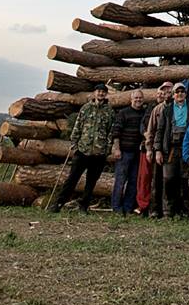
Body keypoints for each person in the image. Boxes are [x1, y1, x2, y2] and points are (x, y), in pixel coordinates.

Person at [51, 83, 114, 212]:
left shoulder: (109, 112)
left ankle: (83, 206)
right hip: (82, 150)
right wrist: (74, 145)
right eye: (98, 91)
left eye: (103, 92)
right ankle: (58, 204)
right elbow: (77, 127)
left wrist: (106, 150)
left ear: (106, 94)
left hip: (98, 153)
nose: (101, 93)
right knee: (72, 179)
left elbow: (110, 132)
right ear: (94, 93)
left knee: (91, 183)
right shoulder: (86, 108)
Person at [154, 83, 189, 218]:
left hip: (186, 148)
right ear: (173, 94)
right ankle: (168, 211)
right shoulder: (167, 110)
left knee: (185, 180)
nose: (179, 94)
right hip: (170, 149)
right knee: (169, 179)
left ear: (185, 93)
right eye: (177, 92)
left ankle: (185, 211)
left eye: (182, 91)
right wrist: (157, 149)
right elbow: (160, 130)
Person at [111, 88, 146, 215]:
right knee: (120, 181)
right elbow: (116, 132)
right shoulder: (123, 113)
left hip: (138, 153)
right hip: (124, 152)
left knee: (133, 181)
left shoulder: (144, 113)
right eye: (136, 98)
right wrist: (117, 148)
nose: (138, 100)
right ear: (131, 99)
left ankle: (128, 207)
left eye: (140, 98)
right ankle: (116, 207)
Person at [143, 81, 173, 218]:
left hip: (172, 150)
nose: (167, 92)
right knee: (156, 180)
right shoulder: (158, 109)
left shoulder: (178, 107)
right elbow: (151, 130)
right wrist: (150, 149)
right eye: (164, 90)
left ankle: (169, 210)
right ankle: (154, 210)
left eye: (169, 90)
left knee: (170, 181)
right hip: (158, 149)